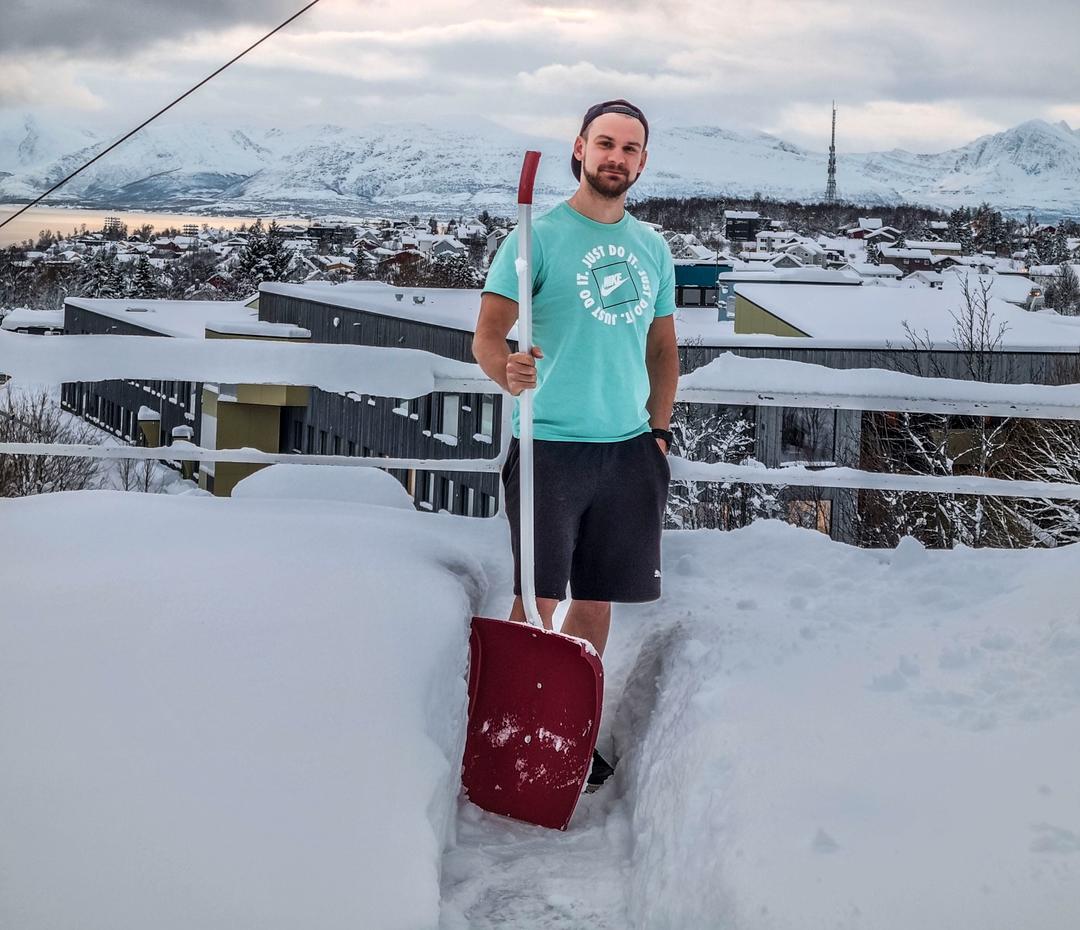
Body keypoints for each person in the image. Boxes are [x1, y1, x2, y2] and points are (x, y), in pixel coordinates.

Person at [472, 99, 679, 678]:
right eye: (606, 143)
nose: (617, 157)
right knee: (536, 601)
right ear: (580, 148)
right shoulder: (534, 240)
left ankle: (567, 724)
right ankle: (517, 721)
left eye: (629, 148)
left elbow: (663, 350)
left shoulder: (652, 249)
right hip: (551, 445)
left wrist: (657, 434)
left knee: (594, 599)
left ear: (641, 164)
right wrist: (506, 369)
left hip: (628, 450)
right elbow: (488, 336)